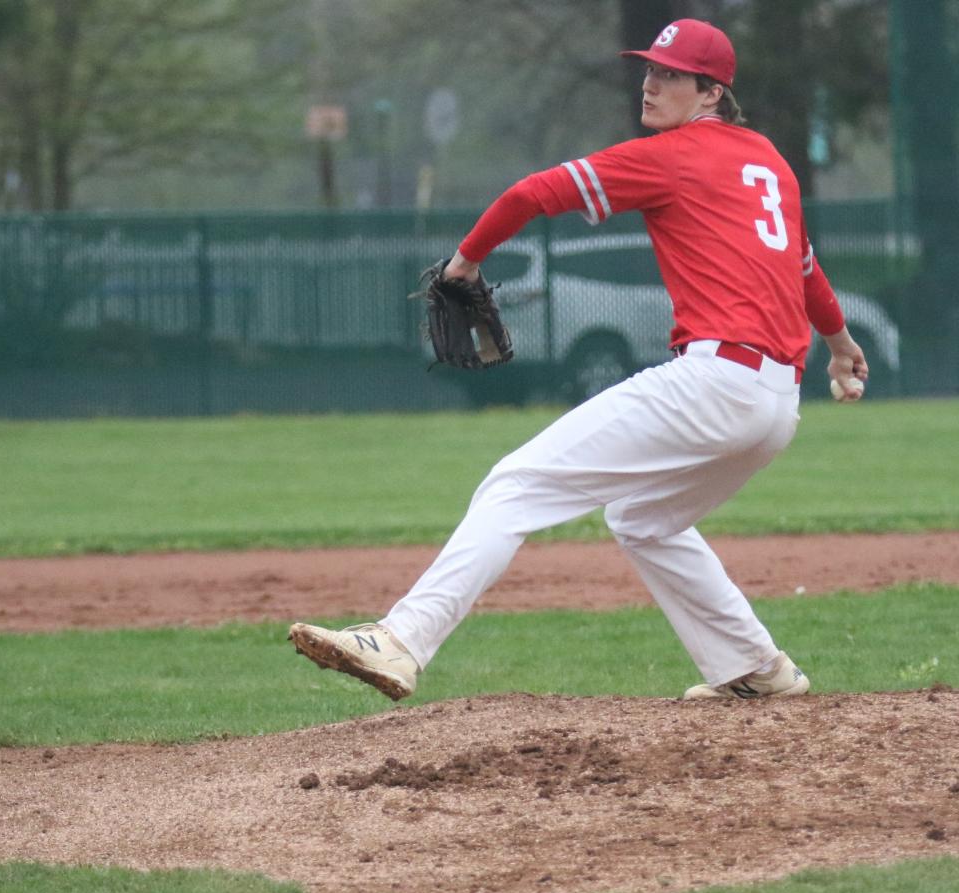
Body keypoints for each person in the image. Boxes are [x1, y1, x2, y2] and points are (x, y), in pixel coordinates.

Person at [289, 19, 868, 702]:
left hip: (715, 381)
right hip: (775, 404)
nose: (650, 83)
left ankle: (401, 640)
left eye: (671, 75)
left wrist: (466, 259)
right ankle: (756, 666)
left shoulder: (673, 155)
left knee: (516, 483)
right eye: (649, 69)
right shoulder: (769, 161)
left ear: (711, 92)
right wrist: (838, 343)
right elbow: (803, 265)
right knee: (642, 518)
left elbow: (532, 194)